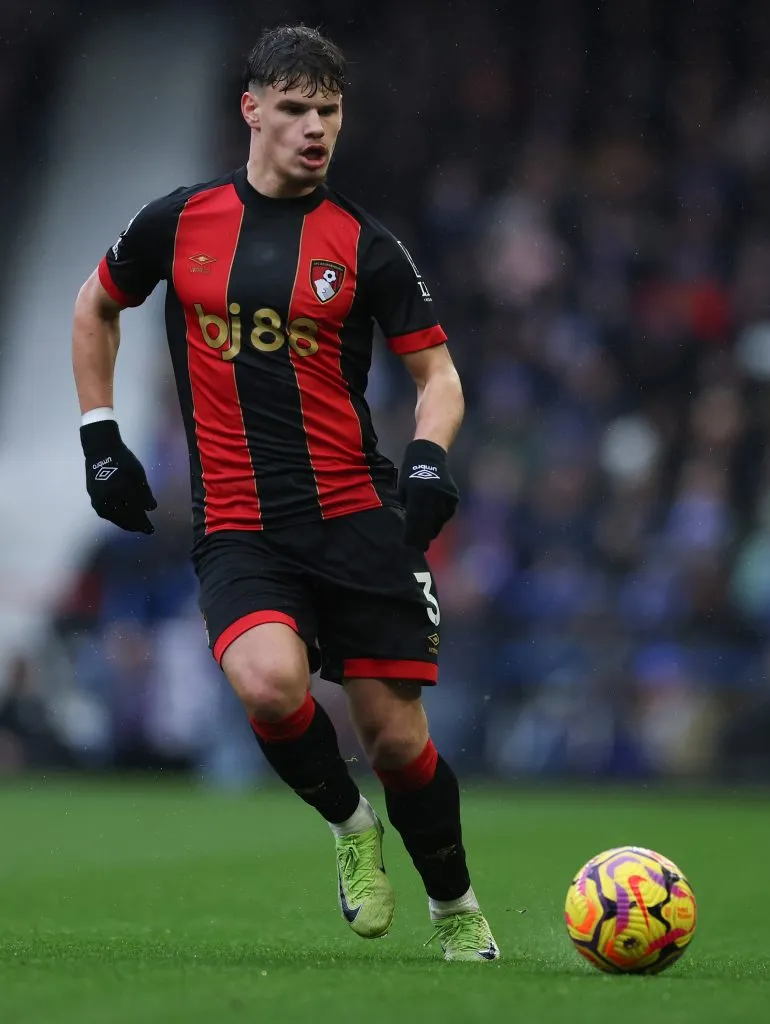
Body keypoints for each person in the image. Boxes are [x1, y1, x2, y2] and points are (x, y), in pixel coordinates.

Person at [71, 24, 499, 963]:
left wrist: (427, 461)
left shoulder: (364, 244)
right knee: (269, 687)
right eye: (297, 109)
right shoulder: (179, 223)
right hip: (240, 525)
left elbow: (441, 378)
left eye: (330, 112)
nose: (315, 129)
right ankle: (351, 830)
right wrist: (100, 437)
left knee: (396, 741)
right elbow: (97, 303)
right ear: (252, 108)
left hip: (353, 516)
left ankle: (456, 905)